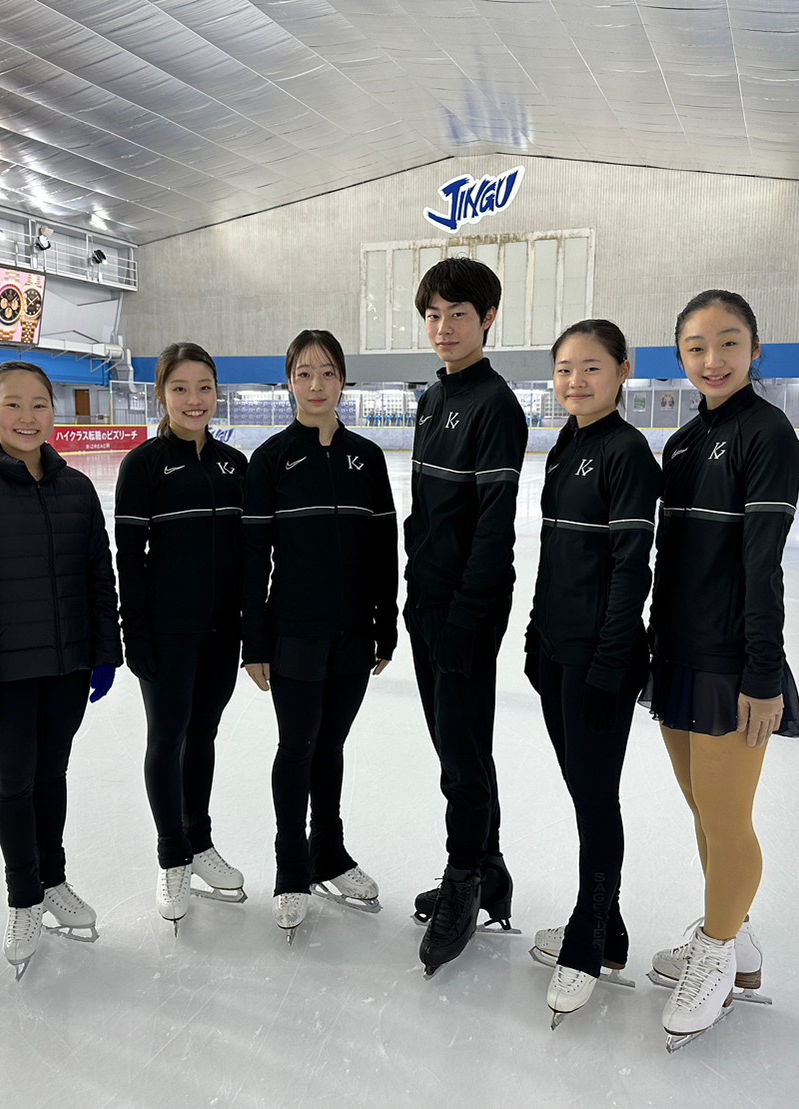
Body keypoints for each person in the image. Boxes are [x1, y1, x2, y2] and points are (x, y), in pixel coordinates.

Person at [642, 290, 799, 1050]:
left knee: (727, 814)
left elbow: (761, 567)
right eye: (697, 346)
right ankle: (731, 940)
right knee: (702, 809)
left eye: (728, 342)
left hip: (732, 662)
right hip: (675, 652)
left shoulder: (766, 435)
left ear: (754, 350)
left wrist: (762, 675)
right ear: (679, 356)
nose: (713, 359)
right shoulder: (679, 443)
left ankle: (714, 953)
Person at [0, 361, 120, 980]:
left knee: (53, 775)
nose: (27, 416)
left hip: (67, 666)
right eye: (12, 404)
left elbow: (99, 574)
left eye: (39, 404)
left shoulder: (76, 490)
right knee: (14, 783)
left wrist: (104, 651)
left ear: (54, 411)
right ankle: (23, 897)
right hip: (5, 676)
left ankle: (53, 879)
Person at [522, 321, 659, 1027]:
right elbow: (554, 556)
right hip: (556, 650)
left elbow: (630, 568)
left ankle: (584, 943)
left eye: (591, 367)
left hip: (597, 659)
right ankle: (607, 929)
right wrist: (533, 636)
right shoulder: (565, 445)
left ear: (622, 370)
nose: (575, 381)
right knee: (582, 793)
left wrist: (609, 658)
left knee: (596, 799)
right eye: (565, 369)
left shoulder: (626, 452)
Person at [241, 330, 398, 940]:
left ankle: (328, 852)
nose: (316, 385)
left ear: (342, 381)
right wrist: (255, 641)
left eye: (327, 372)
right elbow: (254, 558)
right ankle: (291, 868)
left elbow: (384, 546)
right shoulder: (272, 458)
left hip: (354, 634)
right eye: (304, 373)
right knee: (298, 746)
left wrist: (386, 623)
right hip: (296, 633)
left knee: (331, 747)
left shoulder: (368, 457)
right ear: (289, 382)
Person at [404, 257, 528, 976]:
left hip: (466, 609)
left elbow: (492, 528)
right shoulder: (431, 399)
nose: (443, 327)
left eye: (457, 314)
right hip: (427, 600)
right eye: (432, 314)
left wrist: (465, 614)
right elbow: (427, 513)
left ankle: (464, 878)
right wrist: (416, 591)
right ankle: (491, 869)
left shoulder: (494, 406)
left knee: (461, 754)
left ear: (486, 319)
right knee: (457, 745)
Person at [114, 342, 249, 935]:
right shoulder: (142, 466)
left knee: (205, 736)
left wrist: (248, 625)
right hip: (167, 635)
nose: (194, 400)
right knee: (167, 738)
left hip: (221, 633)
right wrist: (134, 632)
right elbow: (129, 558)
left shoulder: (234, 466)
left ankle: (199, 842)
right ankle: (173, 856)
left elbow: (249, 558)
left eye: (204, 388)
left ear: (216, 393)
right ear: (162, 394)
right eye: (180, 388)